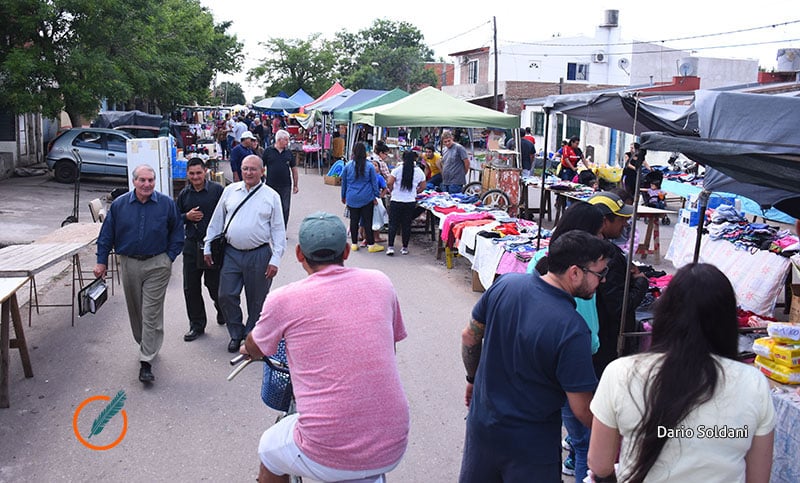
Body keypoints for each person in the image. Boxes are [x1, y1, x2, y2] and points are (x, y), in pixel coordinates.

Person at [242, 212, 409, 483]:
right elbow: (389, 347)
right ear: (346, 251)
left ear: (298, 254)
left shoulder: (284, 298)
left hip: (325, 449)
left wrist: (247, 349)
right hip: (392, 443)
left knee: (269, 450)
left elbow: (257, 345)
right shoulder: (381, 282)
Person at [588, 263, 775, 483]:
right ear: (727, 321)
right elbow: (758, 478)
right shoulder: (754, 383)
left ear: (664, 313)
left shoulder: (620, 373)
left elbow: (600, 464)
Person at [459, 230, 616, 482]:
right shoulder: (572, 329)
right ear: (575, 273)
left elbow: (469, 336)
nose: (603, 281)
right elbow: (583, 409)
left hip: (483, 428)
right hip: (530, 447)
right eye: (600, 273)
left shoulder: (507, 284)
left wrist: (472, 377)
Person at [527, 202, 605, 481]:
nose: (600, 240)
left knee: (555, 432)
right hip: (572, 364)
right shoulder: (581, 279)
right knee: (586, 439)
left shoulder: (538, 259)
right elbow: (589, 330)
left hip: (539, 365)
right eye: (598, 234)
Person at [93, 164, 184, 383]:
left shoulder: (166, 204)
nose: (147, 184)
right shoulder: (120, 205)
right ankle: (146, 342)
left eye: (151, 180)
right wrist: (101, 261)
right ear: (134, 181)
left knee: (150, 311)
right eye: (142, 180)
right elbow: (107, 235)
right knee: (136, 310)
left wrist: (168, 257)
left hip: (157, 264)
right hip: (129, 263)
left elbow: (177, 230)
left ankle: (146, 361)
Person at [204, 155, 286, 353]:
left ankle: (250, 336)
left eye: (253, 169)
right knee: (225, 295)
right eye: (245, 168)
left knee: (257, 299)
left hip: (259, 254)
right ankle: (236, 332)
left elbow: (278, 230)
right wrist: (207, 245)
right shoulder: (230, 191)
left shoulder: (271, 196)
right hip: (231, 253)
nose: (248, 173)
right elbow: (217, 221)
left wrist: (275, 259)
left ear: (262, 171)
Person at [587, 191, 650, 377]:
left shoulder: (583, 246)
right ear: (605, 221)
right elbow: (620, 307)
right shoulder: (607, 256)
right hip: (607, 341)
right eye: (621, 219)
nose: (625, 224)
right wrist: (640, 282)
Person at [177, 158, 225, 342]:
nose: (195, 177)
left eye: (199, 173)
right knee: (191, 287)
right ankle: (196, 325)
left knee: (214, 285)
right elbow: (174, 218)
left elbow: (227, 214)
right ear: (187, 174)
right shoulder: (184, 194)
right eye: (192, 173)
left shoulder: (217, 191)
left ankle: (222, 309)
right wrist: (186, 216)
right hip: (191, 245)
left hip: (213, 246)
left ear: (205, 172)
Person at [341, 143, 383, 253]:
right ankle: (371, 245)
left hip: (352, 197)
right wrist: (376, 195)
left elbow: (344, 183)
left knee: (354, 221)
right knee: (367, 222)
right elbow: (374, 183)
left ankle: (354, 244)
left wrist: (343, 196)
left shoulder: (348, 165)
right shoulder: (369, 166)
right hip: (367, 198)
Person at [386, 150, 426, 256]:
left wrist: (392, 190)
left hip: (396, 200)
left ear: (402, 159)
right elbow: (423, 186)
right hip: (410, 201)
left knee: (393, 224)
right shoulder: (419, 172)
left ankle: (390, 247)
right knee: (406, 225)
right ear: (415, 159)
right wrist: (415, 192)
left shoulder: (397, 170)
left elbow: (389, 182)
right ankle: (404, 248)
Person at [262, 129, 298, 230]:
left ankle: (282, 229)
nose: (287, 142)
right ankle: (269, 228)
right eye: (286, 140)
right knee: (270, 207)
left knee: (285, 208)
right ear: (279, 140)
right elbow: (261, 166)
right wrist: (262, 178)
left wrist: (295, 185)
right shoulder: (268, 151)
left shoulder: (289, 153)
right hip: (271, 184)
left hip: (285, 185)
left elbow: (294, 169)